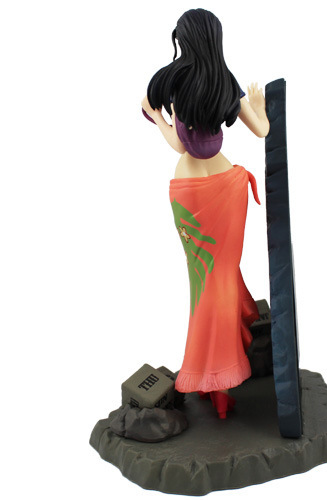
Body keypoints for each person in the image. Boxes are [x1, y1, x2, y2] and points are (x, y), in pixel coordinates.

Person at [141, 8, 269, 419]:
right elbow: (262, 130)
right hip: (227, 185)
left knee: (205, 281)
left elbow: (181, 145)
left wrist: (157, 117)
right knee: (221, 277)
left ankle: (215, 373)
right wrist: (258, 106)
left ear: (184, 39)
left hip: (193, 192)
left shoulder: (175, 80)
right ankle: (224, 370)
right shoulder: (224, 80)